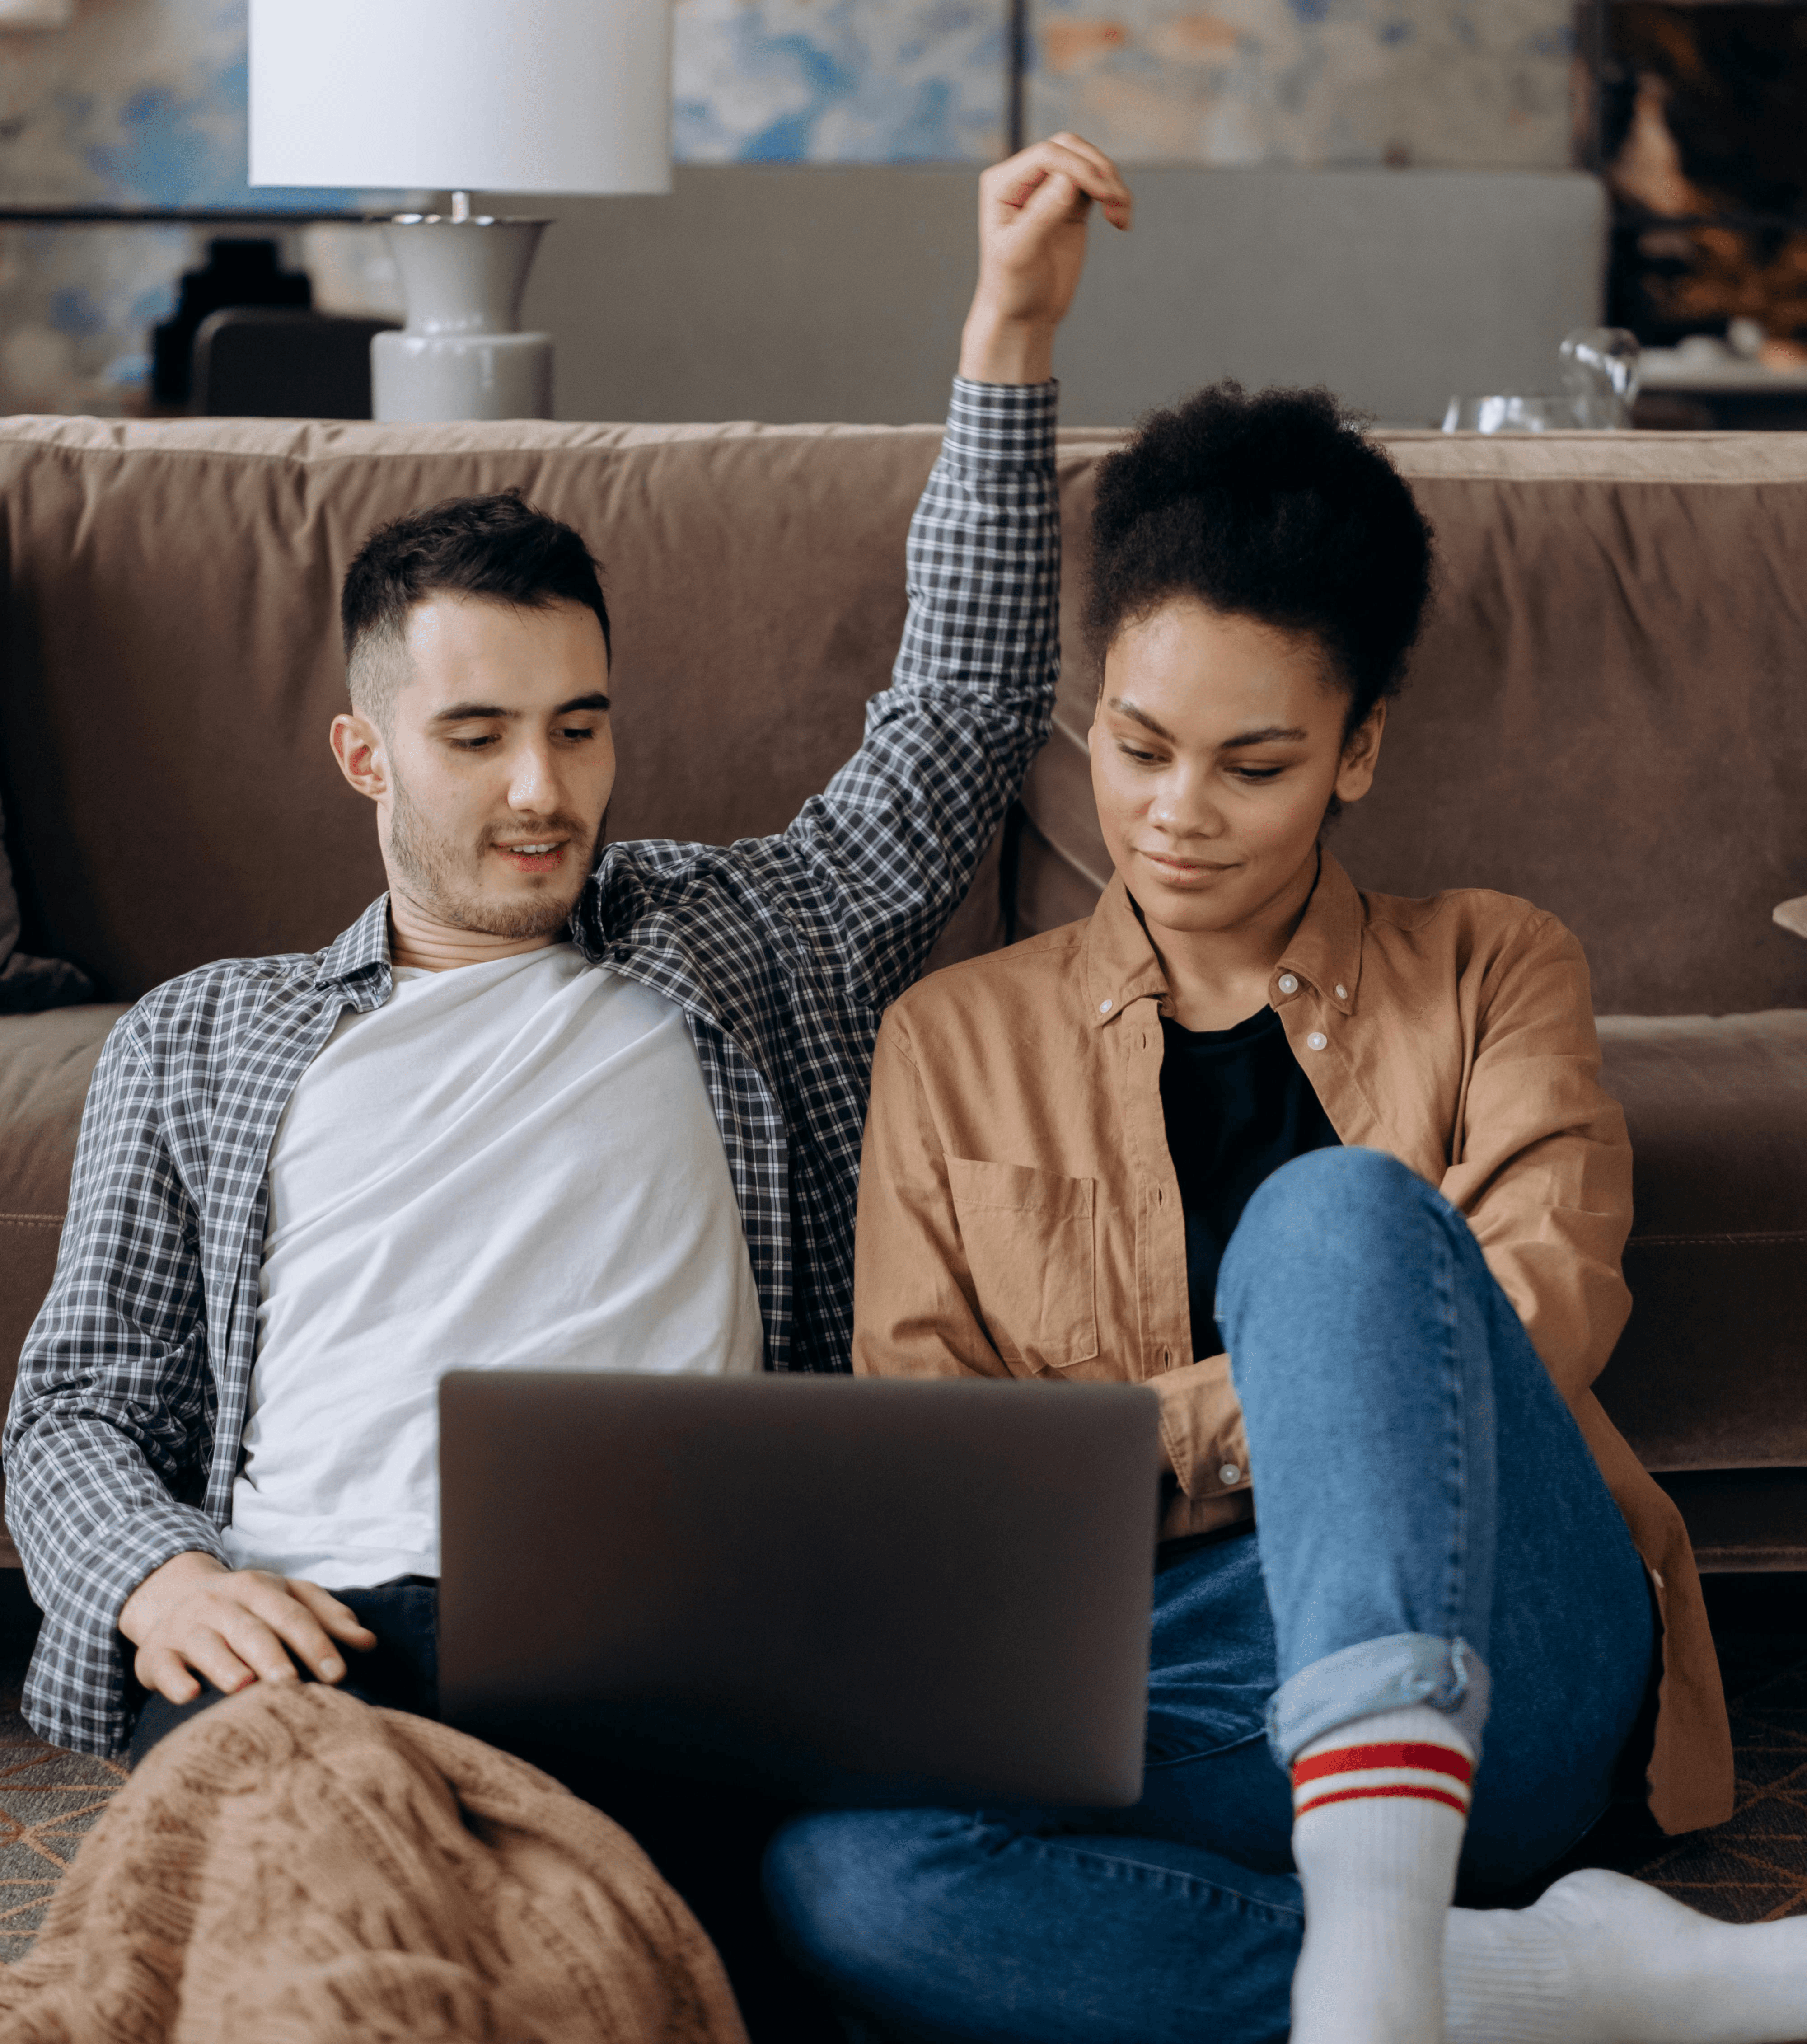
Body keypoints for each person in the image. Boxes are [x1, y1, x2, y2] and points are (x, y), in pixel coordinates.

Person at [3, 134, 1130, 2027]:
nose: (544, 790)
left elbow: (958, 718)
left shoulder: (742, 938)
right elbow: (70, 1412)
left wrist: (1007, 333)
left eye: (580, 727)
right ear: (365, 756)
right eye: (477, 737)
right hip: (307, 1641)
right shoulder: (201, 1036)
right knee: (341, 1858)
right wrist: (155, 1579)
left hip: (667, 1647)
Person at [763, 385, 1807, 2044]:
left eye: (1253, 765)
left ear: (1357, 750)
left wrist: (1178, 1428)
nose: (1176, 812)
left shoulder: (1497, 963)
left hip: (1502, 1644)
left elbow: (1538, 1311)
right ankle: (1562, 1980)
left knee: (1336, 1222)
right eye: (1136, 747)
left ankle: (1381, 1975)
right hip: (1186, 1662)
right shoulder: (948, 1042)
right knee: (850, 1871)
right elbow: (953, 1478)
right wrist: (1299, 1416)